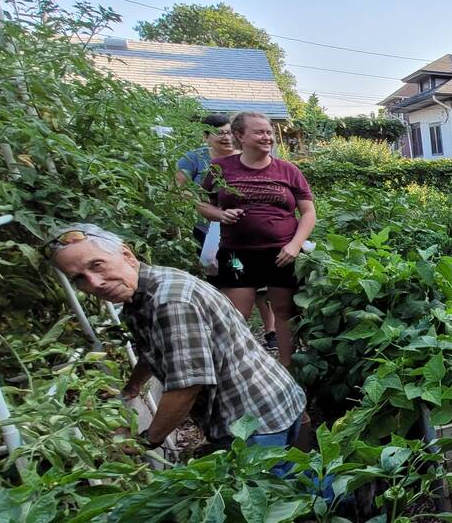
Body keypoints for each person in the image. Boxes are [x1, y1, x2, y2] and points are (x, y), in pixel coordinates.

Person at [47, 224, 306, 452]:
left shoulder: (170, 303)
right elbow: (157, 350)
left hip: (256, 422)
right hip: (270, 401)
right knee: (290, 483)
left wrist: (148, 440)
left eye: (97, 265)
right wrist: (133, 387)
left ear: (126, 254)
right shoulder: (147, 290)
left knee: (283, 494)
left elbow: (186, 386)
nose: (94, 283)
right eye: (79, 278)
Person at [197, 111, 315, 367]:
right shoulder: (221, 169)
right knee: (236, 314)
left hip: (281, 255)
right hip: (238, 255)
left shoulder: (288, 170)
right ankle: (240, 370)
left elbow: (308, 212)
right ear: (240, 135)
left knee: (284, 313)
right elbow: (201, 204)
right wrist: (220, 213)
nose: (267, 137)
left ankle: (286, 370)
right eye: (259, 132)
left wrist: (295, 245)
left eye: (269, 132)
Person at [176, 113, 278, 353]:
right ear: (206, 136)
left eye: (229, 132)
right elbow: (180, 190)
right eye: (219, 133)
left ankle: (270, 330)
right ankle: (229, 330)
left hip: (247, 231)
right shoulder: (195, 159)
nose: (226, 138)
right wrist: (212, 210)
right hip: (209, 230)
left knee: (262, 283)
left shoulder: (245, 158)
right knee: (224, 278)